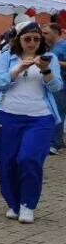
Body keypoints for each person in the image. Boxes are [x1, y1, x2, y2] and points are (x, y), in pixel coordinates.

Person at [0, 19, 62, 223]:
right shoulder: (6, 56)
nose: (32, 43)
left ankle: (27, 204)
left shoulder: (49, 58)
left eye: (36, 39)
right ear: (18, 39)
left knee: (29, 159)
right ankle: (14, 204)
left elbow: (56, 87)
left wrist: (45, 70)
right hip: (7, 115)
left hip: (41, 118)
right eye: (27, 39)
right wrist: (18, 69)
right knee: (7, 162)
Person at [42, 22, 66, 152]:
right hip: (55, 83)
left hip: (62, 85)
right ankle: (57, 141)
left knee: (58, 112)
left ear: (56, 33)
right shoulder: (50, 47)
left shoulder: (63, 45)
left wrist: (54, 62)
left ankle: (55, 144)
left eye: (46, 33)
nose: (43, 35)